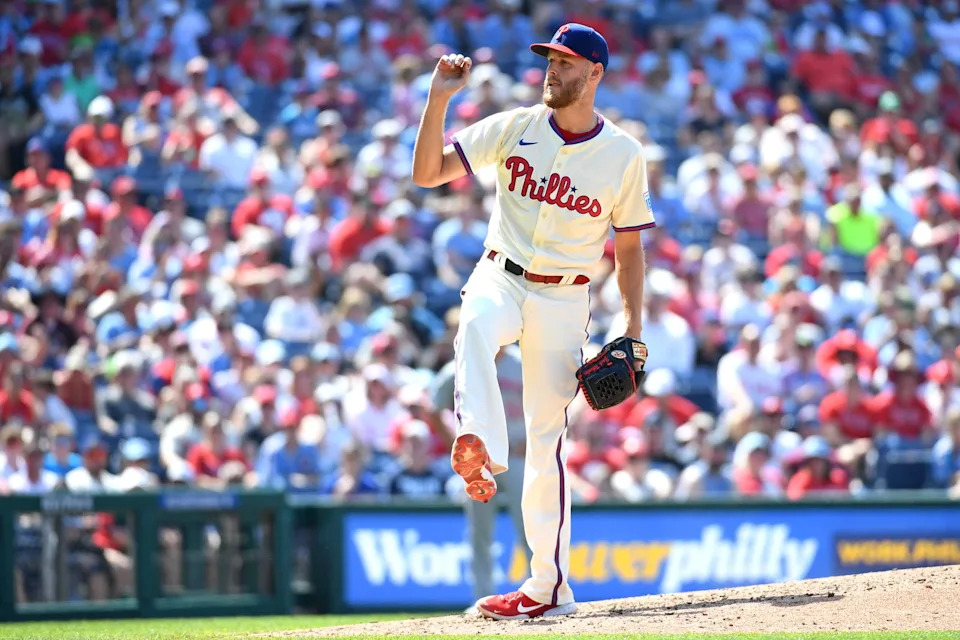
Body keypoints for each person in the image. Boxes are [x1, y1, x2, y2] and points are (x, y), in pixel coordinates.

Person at [412, 23, 654, 619]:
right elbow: (428, 174)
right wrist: (438, 97)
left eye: (567, 63)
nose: (553, 70)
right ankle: (482, 447)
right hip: (501, 272)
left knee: (547, 446)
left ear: (595, 74)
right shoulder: (517, 125)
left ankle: (548, 589)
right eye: (550, 59)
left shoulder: (623, 154)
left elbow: (628, 249)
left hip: (565, 299)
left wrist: (632, 326)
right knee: (474, 325)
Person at [430, 344, 530, 607]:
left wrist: (532, 441)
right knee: (480, 532)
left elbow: (544, 406)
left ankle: (539, 593)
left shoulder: (522, 362)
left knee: (530, 527)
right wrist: (458, 446)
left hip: (516, 452)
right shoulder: (465, 361)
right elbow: (433, 405)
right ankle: (481, 597)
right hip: (479, 460)